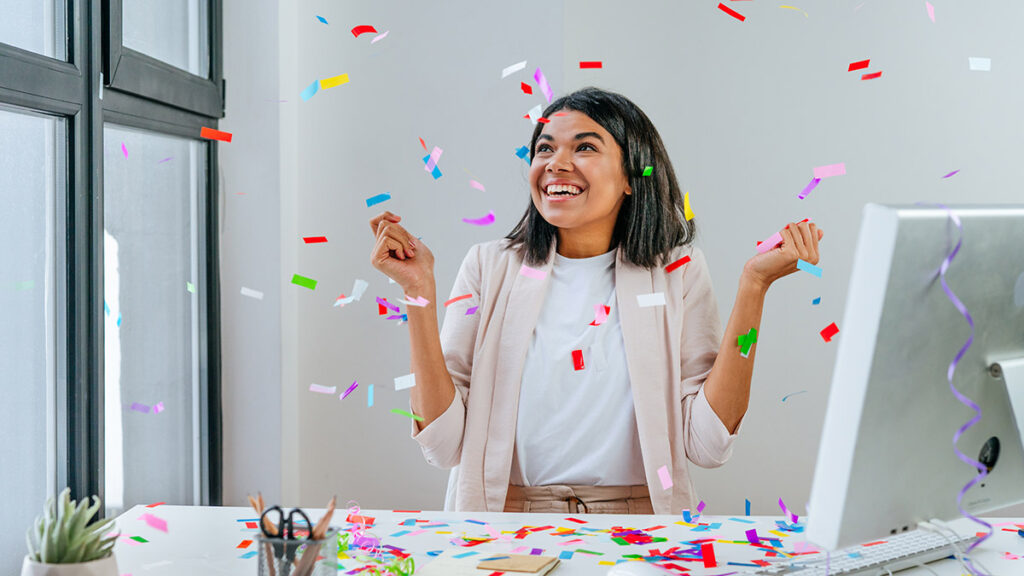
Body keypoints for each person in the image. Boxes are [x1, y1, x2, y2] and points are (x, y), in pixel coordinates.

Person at [368, 87, 823, 515]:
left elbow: (707, 444)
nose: (556, 163)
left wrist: (754, 287)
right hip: (505, 523)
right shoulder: (488, 266)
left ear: (632, 176)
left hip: (640, 526)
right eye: (545, 148)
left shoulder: (677, 271)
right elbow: (441, 445)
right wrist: (417, 293)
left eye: (584, 147)